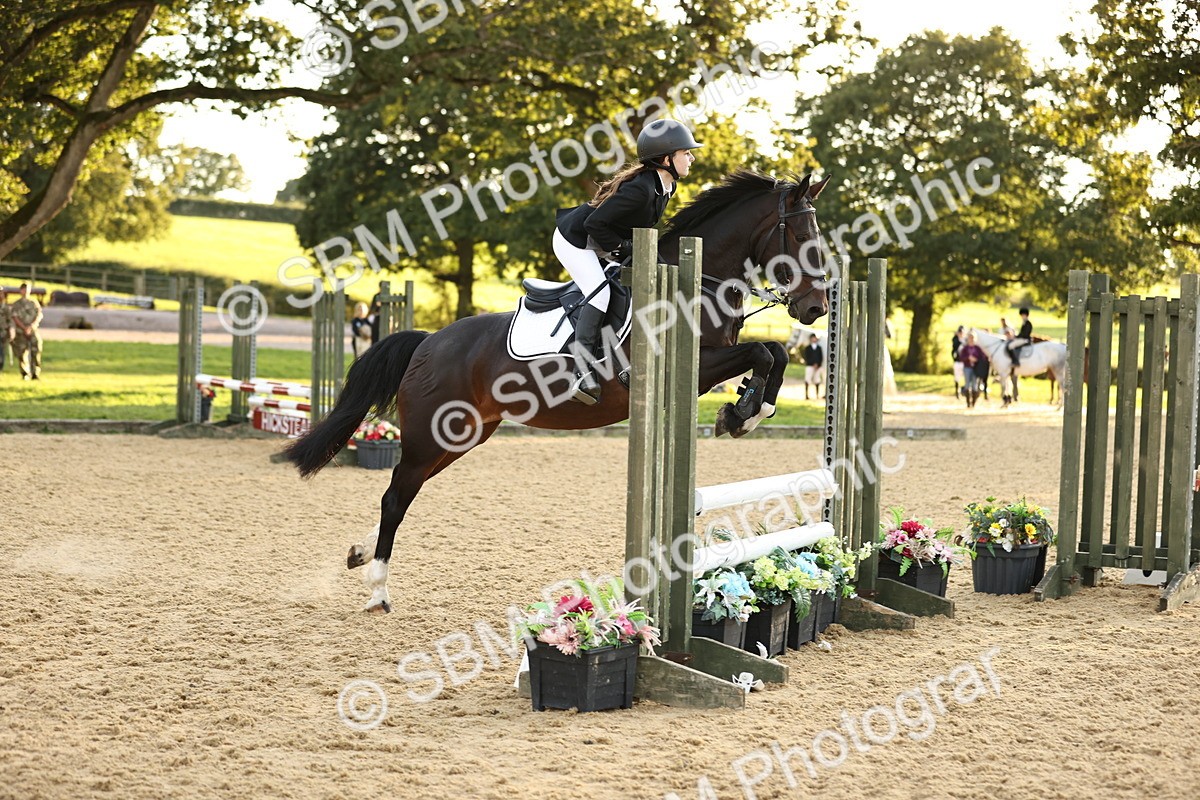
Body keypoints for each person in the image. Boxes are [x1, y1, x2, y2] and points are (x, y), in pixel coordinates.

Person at [553, 118, 702, 404]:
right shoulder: (640, 190)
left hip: (603, 238)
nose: (691, 157)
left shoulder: (665, 187)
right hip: (576, 240)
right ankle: (581, 372)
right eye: (686, 152)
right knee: (601, 294)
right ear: (666, 158)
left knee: (653, 281)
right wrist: (625, 249)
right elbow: (595, 225)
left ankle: (629, 362)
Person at [11, 282, 42, 380]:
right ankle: (24, 373)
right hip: (21, 332)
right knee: (21, 353)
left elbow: (39, 315)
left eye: (27, 289)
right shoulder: (16, 304)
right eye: (24, 289)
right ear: (20, 290)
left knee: (35, 351)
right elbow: (15, 317)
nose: (25, 291)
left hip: (32, 331)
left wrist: (31, 326)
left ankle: (35, 373)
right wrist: (24, 328)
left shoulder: (33, 303)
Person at [958, 332, 986, 408]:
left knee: (974, 385)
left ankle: (973, 402)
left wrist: (976, 360)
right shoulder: (965, 348)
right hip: (967, 367)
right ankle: (968, 402)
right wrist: (968, 358)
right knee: (967, 384)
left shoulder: (978, 348)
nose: (971, 339)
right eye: (970, 338)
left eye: (973, 338)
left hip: (975, 368)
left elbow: (982, 357)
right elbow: (961, 357)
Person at [802, 334, 824, 400]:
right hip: (809, 365)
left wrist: (818, 364)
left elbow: (821, 357)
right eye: (813, 338)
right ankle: (806, 395)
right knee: (807, 379)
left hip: (817, 367)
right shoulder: (807, 348)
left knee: (817, 380)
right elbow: (806, 357)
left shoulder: (819, 348)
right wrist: (812, 363)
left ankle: (817, 395)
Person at [951, 326, 965, 399]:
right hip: (957, 361)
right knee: (957, 377)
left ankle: (965, 391)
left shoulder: (965, 341)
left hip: (965, 362)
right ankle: (957, 391)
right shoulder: (956, 341)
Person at [0, 291, 11, 372]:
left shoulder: (6, 308)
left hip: (3, 332)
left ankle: (1, 365)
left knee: (2, 350)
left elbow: (9, 320)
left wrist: (10, 330)